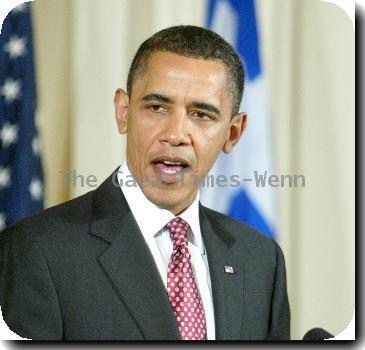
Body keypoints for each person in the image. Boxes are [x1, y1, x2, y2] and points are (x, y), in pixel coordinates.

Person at [0, 25, 290, 340]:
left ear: (233, 133)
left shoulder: (261, 261)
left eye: (201, 115)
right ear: (123, 112)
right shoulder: (37, 250)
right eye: (156, 107)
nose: (176, 134)